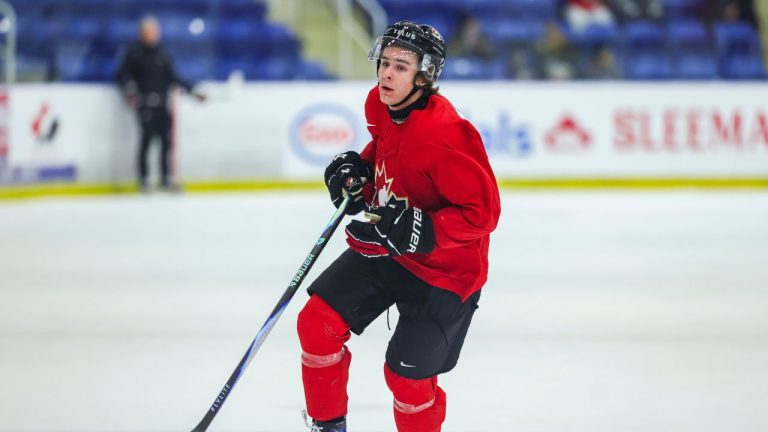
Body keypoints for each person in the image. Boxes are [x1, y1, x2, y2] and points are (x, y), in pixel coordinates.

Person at [297, 20, 501, 432]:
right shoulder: (380, 105)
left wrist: (423, 231)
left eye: (401, 66)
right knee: (316, 326)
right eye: (385, 62)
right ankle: (328, 427)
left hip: (446, 271)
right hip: (390, 248)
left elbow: (483, 214)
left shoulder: (447, 135)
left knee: (407, 381)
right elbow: (390, 153)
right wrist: (361, 172)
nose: (387, 73)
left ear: (425, 76)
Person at [116, 16, 205, 193]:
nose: (154, 34)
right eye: (150, 31)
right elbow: (122, 76)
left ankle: (165, 179)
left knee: (165, 142)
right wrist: (130, 90)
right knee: (147, 139)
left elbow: (173, 78)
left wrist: (192, 91)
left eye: (155, 31)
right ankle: (144, 179)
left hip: (163, 104)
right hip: (145, 103)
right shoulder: (134, 53)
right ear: (142, 33)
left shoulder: (161, 53)